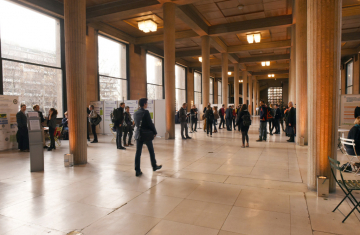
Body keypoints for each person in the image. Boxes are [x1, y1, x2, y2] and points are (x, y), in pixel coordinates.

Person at [134, 98, 162, 177]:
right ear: (144, 104)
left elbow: (136, 124)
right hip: (146, 135)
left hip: (138, 135)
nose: (147, 104)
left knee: (138, 153)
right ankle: (154, 166)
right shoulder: (146, 112)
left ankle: (137, 170)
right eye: (146, 103)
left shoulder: (135, 113)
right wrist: (155, 132)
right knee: (151, 151)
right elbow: (150, 123)